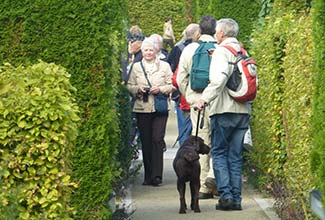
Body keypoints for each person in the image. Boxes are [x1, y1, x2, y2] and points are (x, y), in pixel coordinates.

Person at [195, 18, 250, 211]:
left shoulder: (221, 52)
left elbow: (218, 80)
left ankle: (225, 197)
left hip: (223, 110)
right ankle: (236, 199)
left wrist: (204, 99)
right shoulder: (242, 52)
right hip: (243, 111)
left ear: (221, 33)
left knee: (218, 153)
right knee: (235, 156)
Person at [177, 16, 217, 199]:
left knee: (200, 141)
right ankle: (214, 177)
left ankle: (202, 186)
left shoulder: (189, 50)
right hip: (217, 102)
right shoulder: (221, 48)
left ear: (199, 31)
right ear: (216, 31)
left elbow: (180, 79)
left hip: (197, 103)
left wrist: (191, 97)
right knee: (218, 141)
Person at [127, 37, 174, 186]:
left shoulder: (165, 66)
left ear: (156, 51)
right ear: (142, 51)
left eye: (151, 50)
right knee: (146, 141)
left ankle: (157, 175)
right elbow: (129, 85)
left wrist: (160, 89)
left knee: (157, 139)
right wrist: (137, 90)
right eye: (146, 50)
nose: (148, 53)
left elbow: (172, 84)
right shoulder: (136, 67)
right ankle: (148, 176)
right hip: (142, 107)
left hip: (160, 107)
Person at [168, 23, 200, 146]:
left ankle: (184, 152)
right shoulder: (205, 48)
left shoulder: (178, 48)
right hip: (202, 96)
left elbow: (174, 73)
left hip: (183, 95)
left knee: (184, 128)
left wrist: (183, 92)